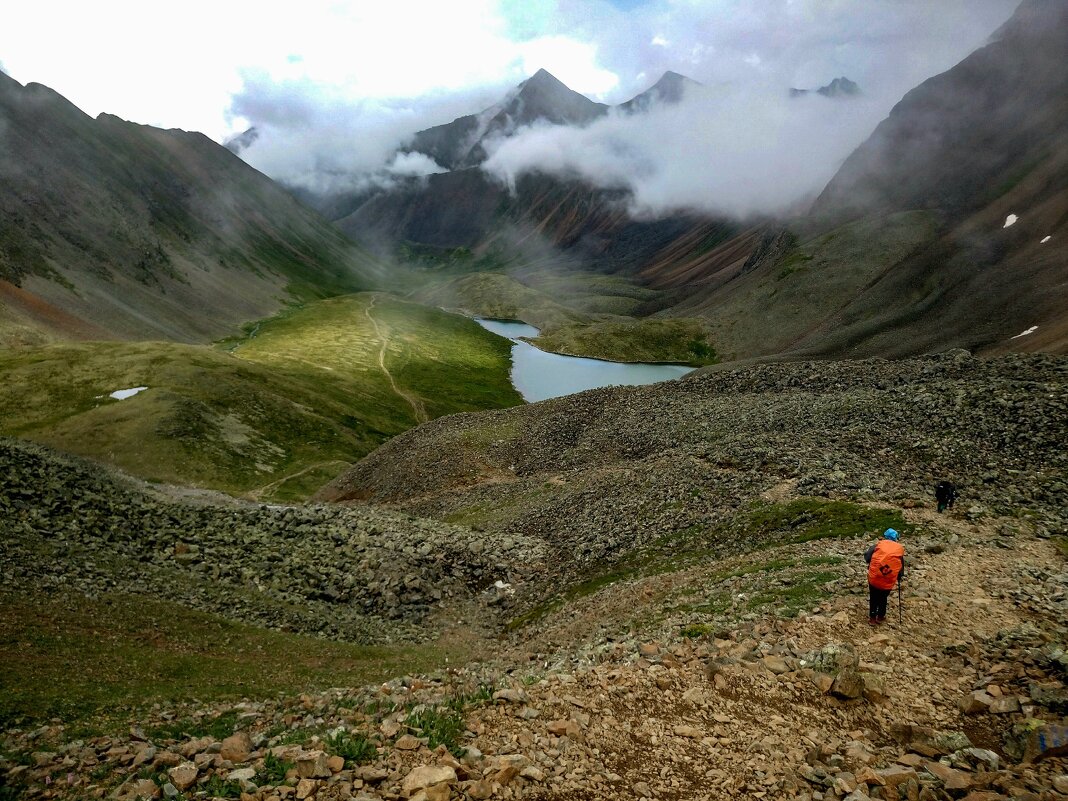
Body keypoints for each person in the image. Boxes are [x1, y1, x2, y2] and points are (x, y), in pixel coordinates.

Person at [864, 528, 905, 625]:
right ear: (895, 538)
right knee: (883, 597)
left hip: (874, 577)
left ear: (885, 536)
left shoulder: (878, 545)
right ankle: (880, 616)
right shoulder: (898, 550)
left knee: (873, 597)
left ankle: (872, 618)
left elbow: (867, 557)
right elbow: (900, 565)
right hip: (888, 580)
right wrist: (899, 577)